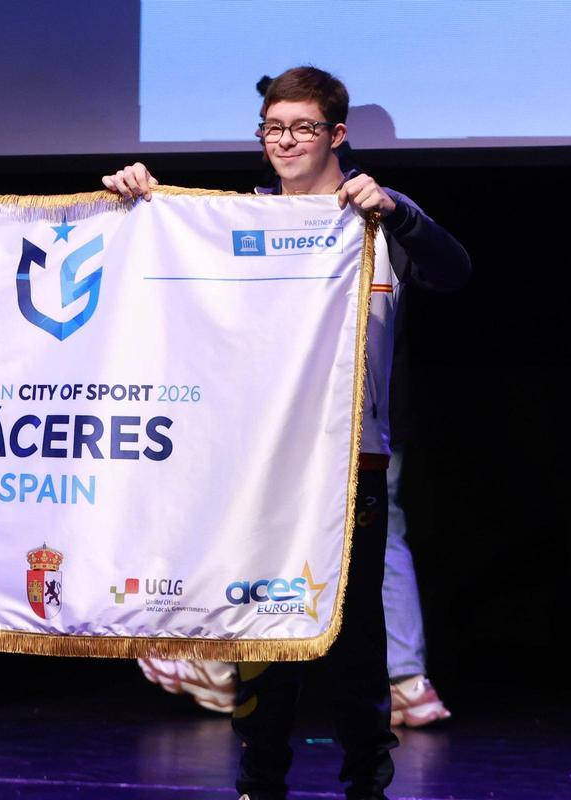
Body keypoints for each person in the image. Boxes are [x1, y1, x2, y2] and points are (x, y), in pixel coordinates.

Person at [103, 66, 470, 800]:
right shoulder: (244, 216)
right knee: (259, 633)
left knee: (357, 639)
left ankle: (367, 781)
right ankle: (258, 781)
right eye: (274, 128)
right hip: (259, 464)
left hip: (350, 462)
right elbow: (156, 264)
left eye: (303, 128)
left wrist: (398, 211)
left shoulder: (374, 213)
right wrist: (136, 198)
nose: (286, 142)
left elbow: (454, 271)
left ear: (336, 135)